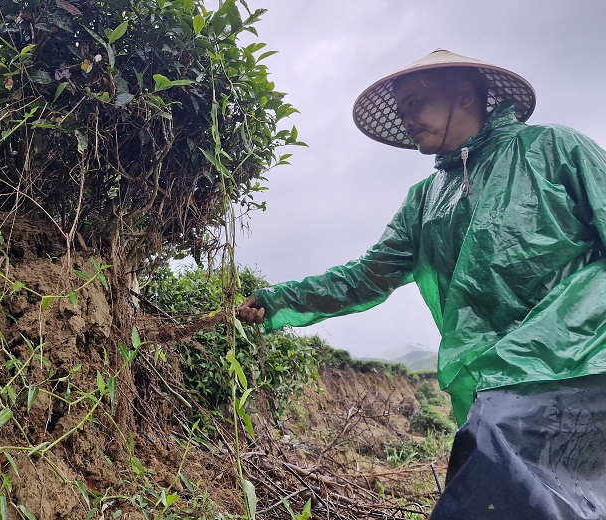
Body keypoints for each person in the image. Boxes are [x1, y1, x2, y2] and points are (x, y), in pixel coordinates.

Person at [237, 49, 606, 519]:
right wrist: (277, 300)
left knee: (497, 470)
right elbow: (366, 276)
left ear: (466, 95)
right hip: (495, 377)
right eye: (401, 108)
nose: (406, 118)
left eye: (415, 102)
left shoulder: (554, 149)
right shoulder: (425, 202)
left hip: (581, 358)